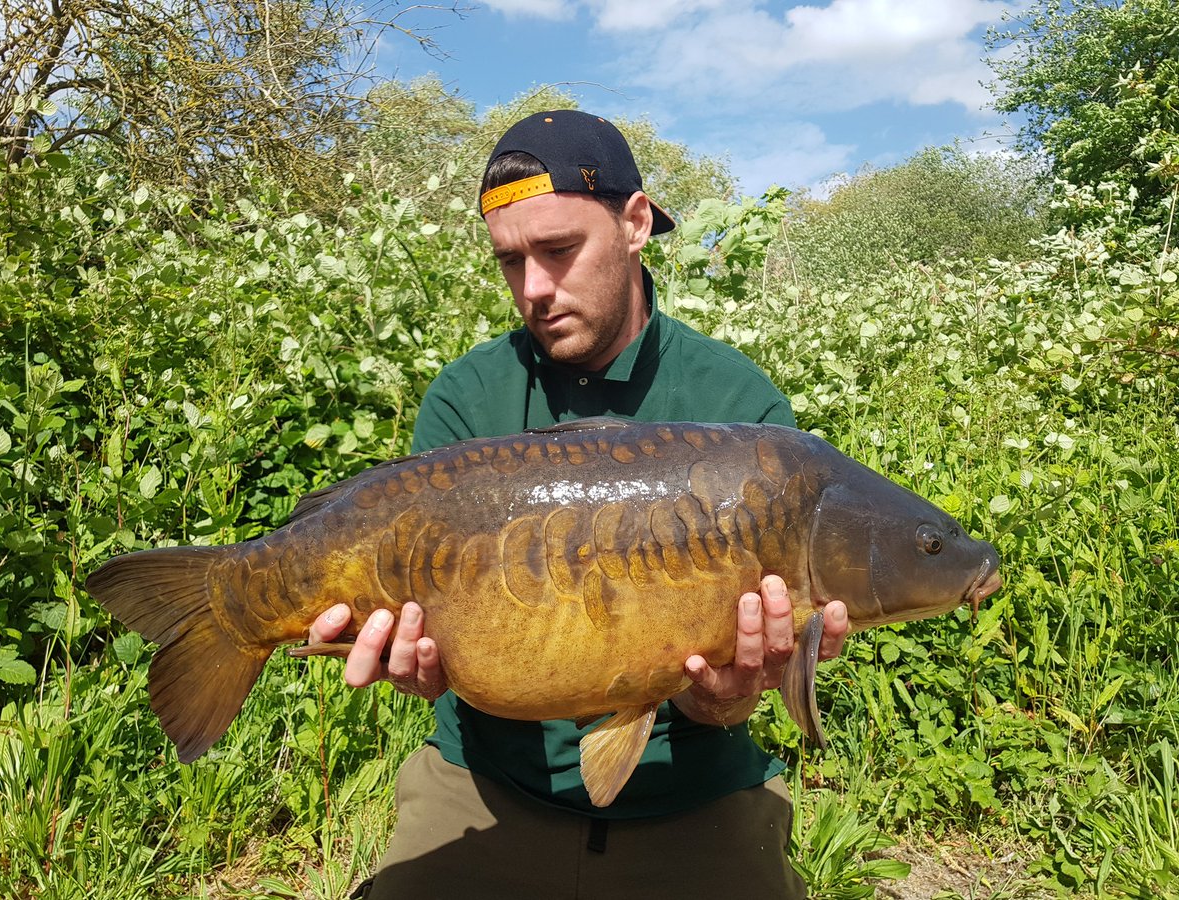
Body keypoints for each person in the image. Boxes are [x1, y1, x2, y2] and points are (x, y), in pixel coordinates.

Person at [310, 109, 850, 899]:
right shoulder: (467, 398)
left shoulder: (737, 403)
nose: (533, 288)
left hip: (692, 786)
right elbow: (429, 637)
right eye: (510, 261)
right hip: (491, 780)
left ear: (635, 223)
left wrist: (727, 698)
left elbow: (759, 667)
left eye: (560, 251)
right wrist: (416, 663)